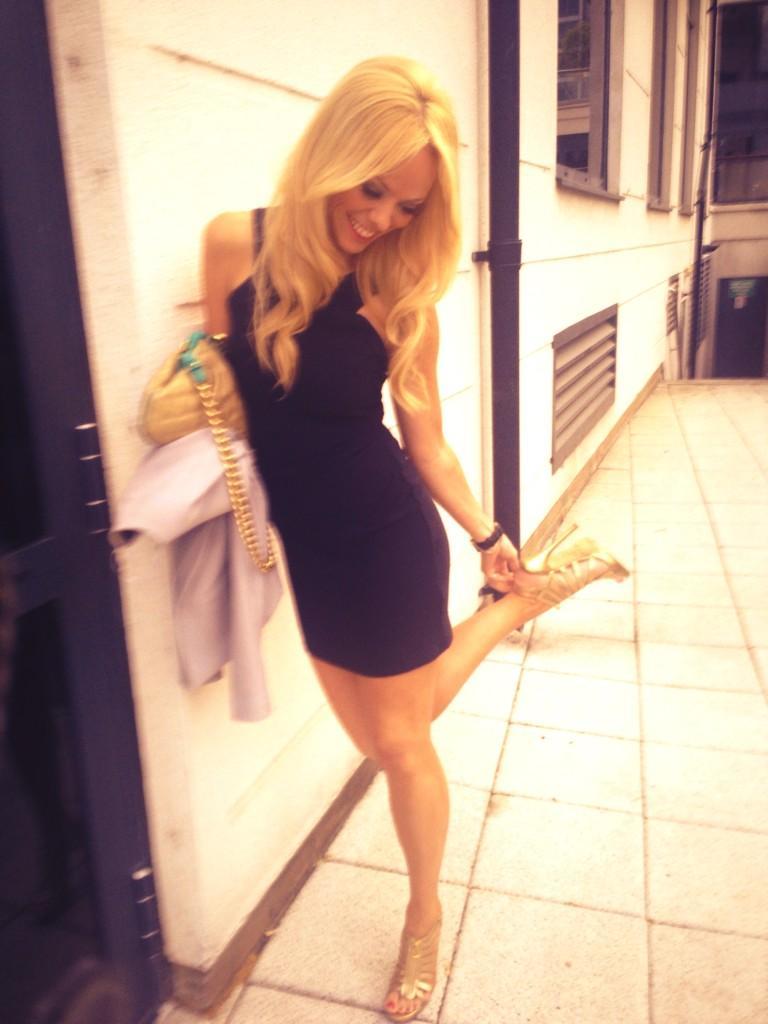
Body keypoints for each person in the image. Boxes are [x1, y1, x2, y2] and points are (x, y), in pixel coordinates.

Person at [202, 56, 627, 1023]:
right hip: (309, 548)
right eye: (373, 189)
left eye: (407, 206)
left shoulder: (399, 302)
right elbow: (226, 388)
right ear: (332, 154)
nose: (383, 219)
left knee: (401, 743)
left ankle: (424, 914)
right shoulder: (232, 245)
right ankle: (532, 595)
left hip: (387, 536)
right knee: (382, 732)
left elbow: (425, 444)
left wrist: (486, 530)